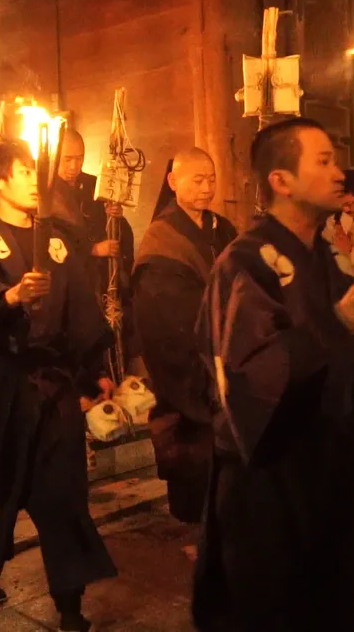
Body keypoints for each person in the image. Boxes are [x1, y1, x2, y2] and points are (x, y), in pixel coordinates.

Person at [192, 118, 354, 631]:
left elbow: (349, 367)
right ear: (280, 181)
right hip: (270, 474)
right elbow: (252, 374)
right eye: (322, 161)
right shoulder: (245, 262)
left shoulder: (325, 256)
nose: (337, 171)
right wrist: (341, 321)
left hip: (327, 466)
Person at [0, 139, 117, 631]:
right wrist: (13, 296)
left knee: (63, 490)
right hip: (3, 385)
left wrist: (94, 368)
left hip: (53, 384)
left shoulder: (55, 238)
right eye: (23, 172)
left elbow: (81, 307)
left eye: (39, 173)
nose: (35, 182)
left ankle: (70, 602)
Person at [131, 147, 238, 528]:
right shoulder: (163, 239)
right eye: (197, 179)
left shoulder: (222, 228)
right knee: (191, 433)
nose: (207, 187)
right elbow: (161, 317)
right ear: (174, 182)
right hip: (187, 358)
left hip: (224, 350)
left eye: (211, 179)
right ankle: (194, 523)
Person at [55, 128, 140, 381]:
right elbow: (51, 238)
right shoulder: (47, 192)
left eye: (79, 158)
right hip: (75, 279)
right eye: (67, 159)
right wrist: (92, 250)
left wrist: (116, 216)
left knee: (115, 323)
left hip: (104, 278)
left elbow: (117, 230)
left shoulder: (96, 185)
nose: (74, 166)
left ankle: (118, 376)